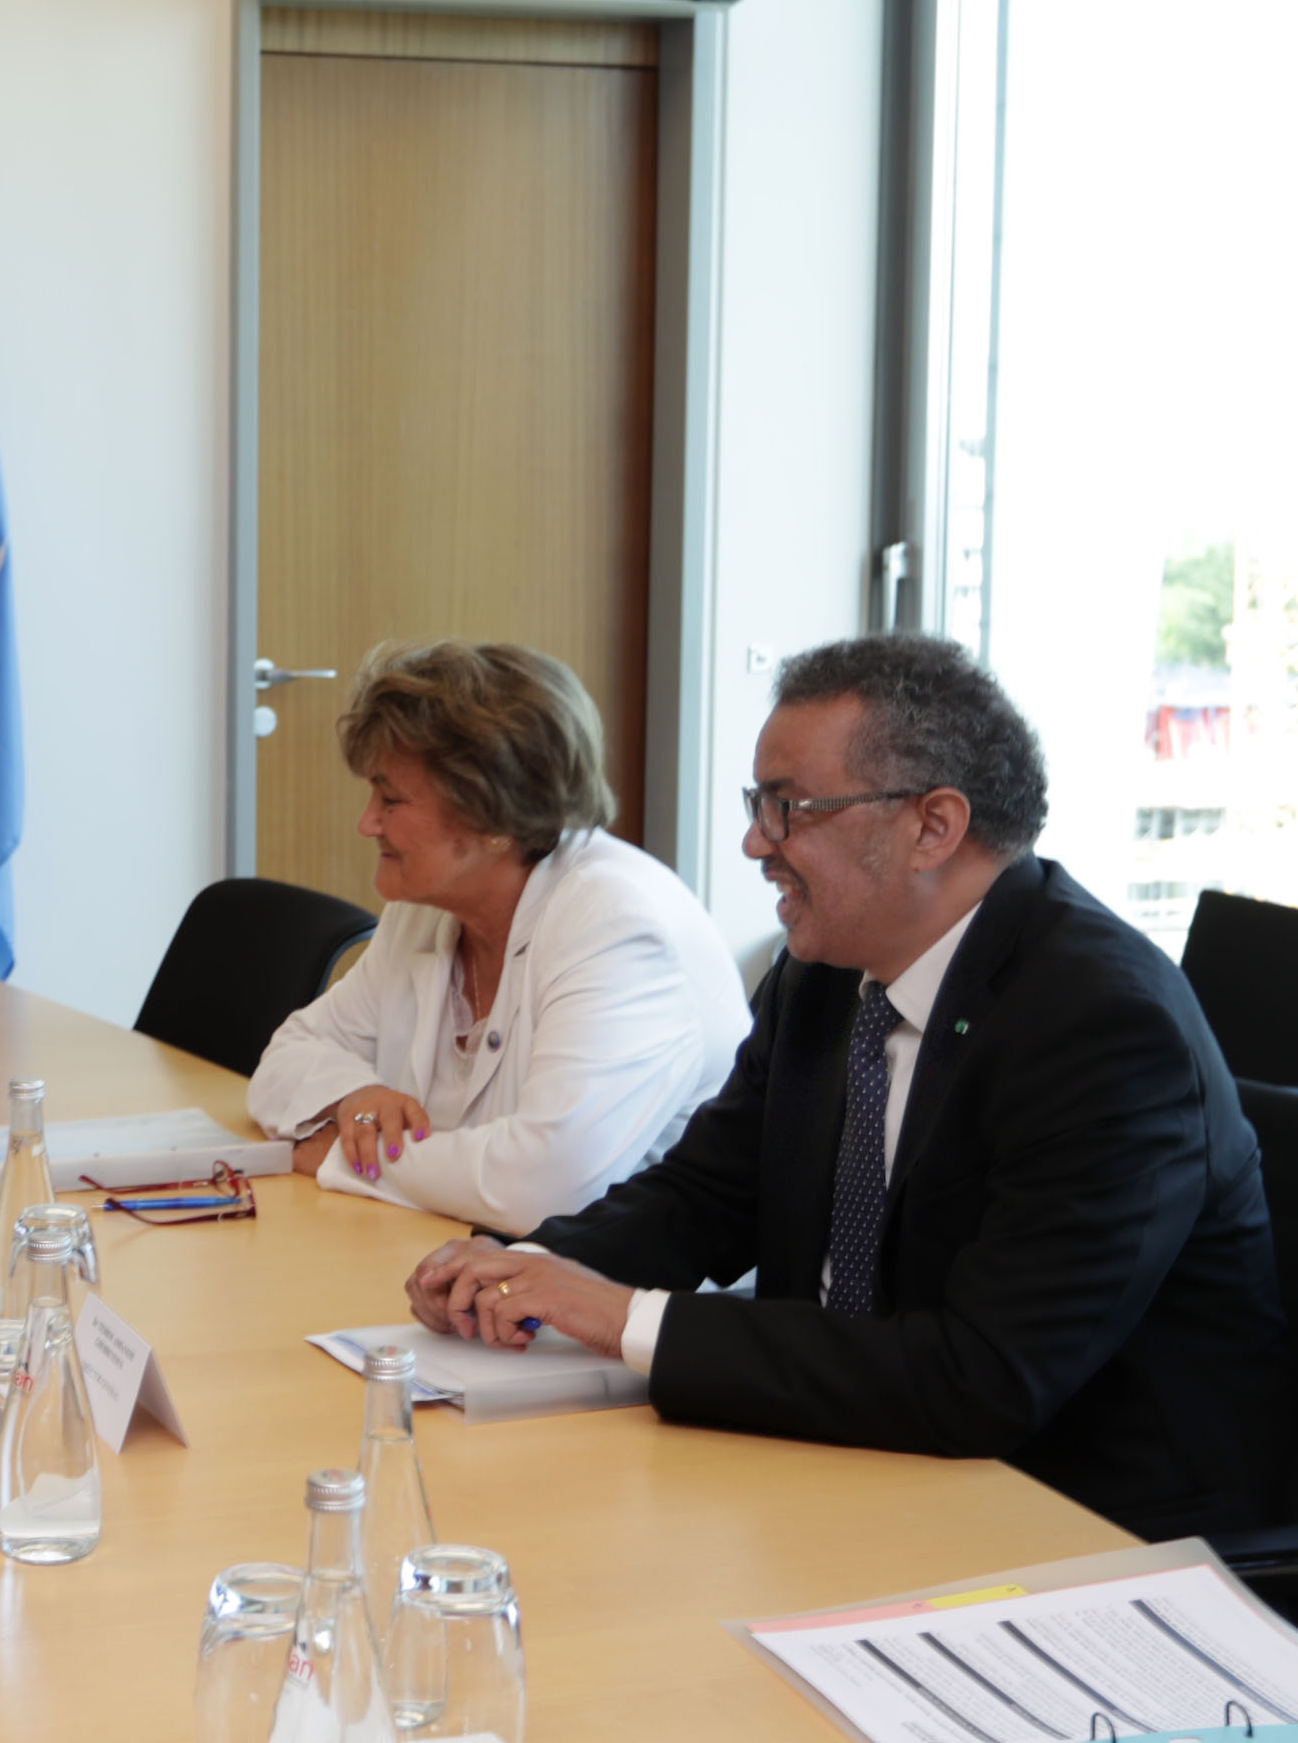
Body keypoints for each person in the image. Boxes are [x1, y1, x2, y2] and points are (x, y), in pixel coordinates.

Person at [410, 633, 1286, 1541]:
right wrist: (527, 1271)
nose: (756, 842)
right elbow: (708, 1193)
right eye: (758, 804)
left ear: (932, 827)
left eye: (788, 807)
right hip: (857, 1452)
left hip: (1084, 1518)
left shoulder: (1102, 1024)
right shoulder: (828, 970)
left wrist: (625, 1317)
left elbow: (984, 1378)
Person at [248, 639, 751, 1235]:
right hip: (452, 1245)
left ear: (492, 815)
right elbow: (285, 1060)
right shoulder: (428, 908)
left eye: (391, 799)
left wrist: (340, 1155)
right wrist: (352, 1096)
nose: (367, 822)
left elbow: (542, 1187)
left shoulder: (618, 926)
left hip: (615, 1278)